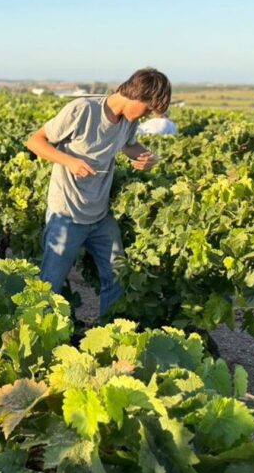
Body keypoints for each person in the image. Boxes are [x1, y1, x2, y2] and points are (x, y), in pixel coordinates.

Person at [25, 67, 171, 318]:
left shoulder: (128, 122)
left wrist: (145, 158)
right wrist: (69, 162)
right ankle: (41, 342)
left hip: (100, 216)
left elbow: (130, 146)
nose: (146, 116)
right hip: (67, 214)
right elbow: (35, 141)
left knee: (117, 277)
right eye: (147, 109)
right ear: (136, 95)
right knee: (49, 285)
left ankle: (108, 338)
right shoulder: (82, 110)